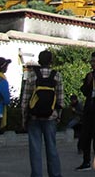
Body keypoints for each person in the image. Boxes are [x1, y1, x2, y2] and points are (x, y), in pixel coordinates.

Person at [21, 49, 64, 177]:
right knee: (52, 147)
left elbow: (25, 98)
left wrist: (24, 118)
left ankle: (36, 174)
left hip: (34, 117)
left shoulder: (32, 75)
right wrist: (58, 116)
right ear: (51, 61)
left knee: (35, 149)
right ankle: (55, 174)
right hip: (51, 117)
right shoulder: (57, 75)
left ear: (39, 61)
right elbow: (60, 99)